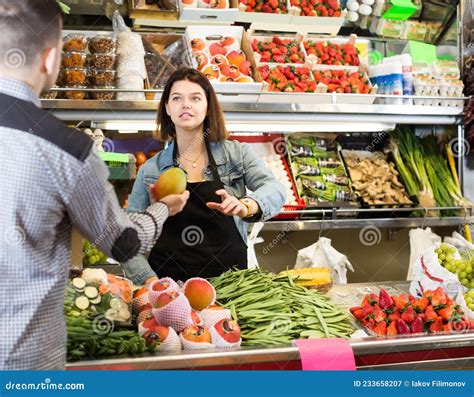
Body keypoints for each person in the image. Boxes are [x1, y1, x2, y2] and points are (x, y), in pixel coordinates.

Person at [0, 0, 189, 370]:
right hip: (24, 366)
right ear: (51, 60)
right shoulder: (65, 149)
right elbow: (123, 244)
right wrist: (163, 207)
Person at [124, 68, 286, 284]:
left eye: (195, 98)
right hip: (170, 290)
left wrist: (245, 206)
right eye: (177, 98)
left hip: (231, 286)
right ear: (167, 108)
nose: (186, 104)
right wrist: (150, 282)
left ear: (208, 106)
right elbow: (127, 239)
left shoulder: (236, 155)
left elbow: (276, 190)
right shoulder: (151, 171)